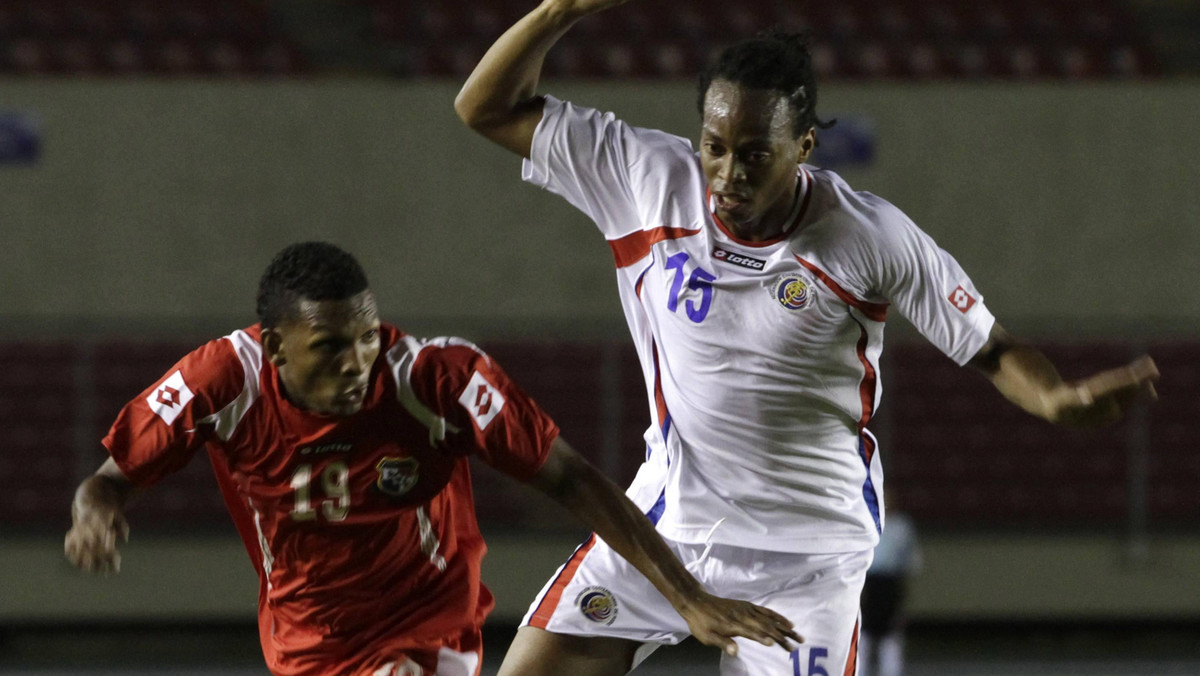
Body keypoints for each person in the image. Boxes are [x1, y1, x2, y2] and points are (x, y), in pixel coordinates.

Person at [454, 2, 1160, 674]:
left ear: (804, 146)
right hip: (667, 526)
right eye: (714, 147)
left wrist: (1056, 400)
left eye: (755, 154)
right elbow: (482, 108)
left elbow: (992, 347)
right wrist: (559, 11)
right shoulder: (644, 176)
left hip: (807, 558)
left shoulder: (869, 237)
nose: (728, 174)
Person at [64, 242, 801, 676]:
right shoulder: (221, 382)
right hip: (304, 643)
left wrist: (687, 598)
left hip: (427, 627)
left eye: (365, 337)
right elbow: (109, 482)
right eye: (329, 347)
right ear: (274, 344)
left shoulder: (435, 381)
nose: (357, 362)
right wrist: (95, 516)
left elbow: (572, 478)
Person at [858, 510, 920, 676]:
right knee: (864, 635)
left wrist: (904, 597)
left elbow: (909, 562)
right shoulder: (865, 519)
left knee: (891, 635)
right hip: (868, 583)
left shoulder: (902, 526)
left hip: (891, 582)